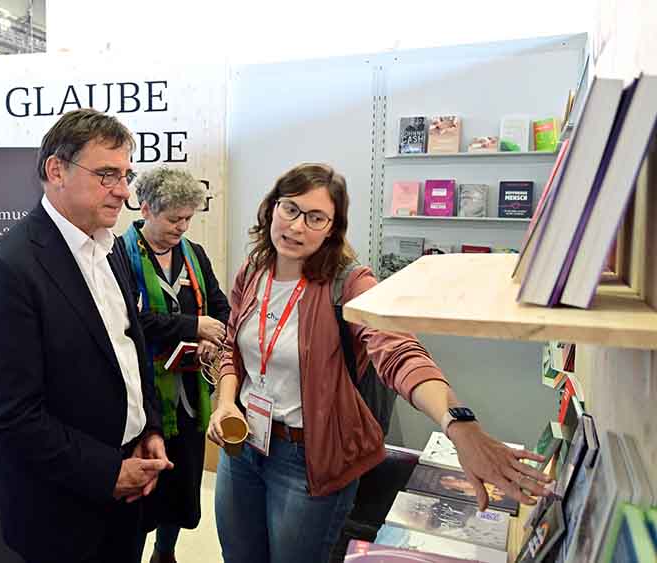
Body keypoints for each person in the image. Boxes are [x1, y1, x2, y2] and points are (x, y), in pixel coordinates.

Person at [207, 163, 552, 563]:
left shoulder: (350, 283)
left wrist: (460, 425)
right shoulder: (253, 271)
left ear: (332, 228)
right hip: (243, 447)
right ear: (271, 208)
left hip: (309, 459)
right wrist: (227, 402)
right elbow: (232, 346)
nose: (297, 226)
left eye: (315, 217)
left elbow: (400, 352)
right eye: (290, 209)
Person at [0, 108, 173, 563]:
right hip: (62, 509)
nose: (123, 191)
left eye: (125, 174)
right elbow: (12, 415)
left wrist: (149, 427)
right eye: (106, 175)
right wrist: (109, 473)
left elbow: (129, 348)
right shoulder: (8, 268)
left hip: (129, 488)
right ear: (55, 170)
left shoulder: (111, 246)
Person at [121, 167, 230, 563]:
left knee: (183, 482)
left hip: (188, 393)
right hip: (144, 393)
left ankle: (165, 553)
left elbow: (220, 308)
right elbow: (131, 322)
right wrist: (191, 325)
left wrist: (209, 340)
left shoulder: (194, 255)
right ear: (146, 208)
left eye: (188, 218)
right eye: (173, 219)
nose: (182, 227)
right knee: (145, 484)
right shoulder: (120, 255)